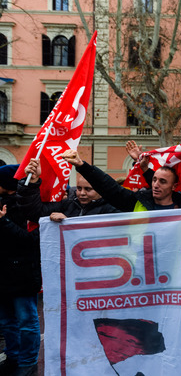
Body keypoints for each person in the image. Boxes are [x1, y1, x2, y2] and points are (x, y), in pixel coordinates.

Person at [0, 164, 41, 376]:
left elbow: (29, 240)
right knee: (7, 322)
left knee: (27, 321)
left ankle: (28, 362)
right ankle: (13, 356)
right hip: (4, 275)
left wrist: (3, 222)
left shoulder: (27, 207)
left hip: (23, 274)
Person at [62, 150, 181, 211]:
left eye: (163, 181)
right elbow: (109, 187)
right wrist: (82, 166)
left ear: (174, 186)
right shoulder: (137, 202)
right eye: (154, 180)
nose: (155, 185)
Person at [17, 158, 119, 222]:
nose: (82, 193)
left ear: (101, 190)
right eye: (79, 188)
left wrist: (69, 224)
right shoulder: (67, 204)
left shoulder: (111, 210)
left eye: (88, 189)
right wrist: (32, 183)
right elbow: (34, 213)